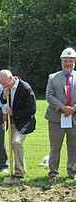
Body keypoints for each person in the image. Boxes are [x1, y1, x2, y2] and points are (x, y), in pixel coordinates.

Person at [45, 47, 76, 181]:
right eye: (65, 61)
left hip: (74, 118)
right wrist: (63, 107)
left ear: (74, 61)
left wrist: (73, 108)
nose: (67, 64)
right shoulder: (53, 77)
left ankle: (72, 171)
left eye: (70, 61)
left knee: (73, 146)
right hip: (56, 118)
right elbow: (49, 95)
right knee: (55, 146)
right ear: (61, 61)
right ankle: (53, 173)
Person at [0, 69, 36, 179]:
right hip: (13, 122)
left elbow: (32, 109)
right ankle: (21, 168)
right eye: (1, 84)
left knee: (16, 142)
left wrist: (13, 112)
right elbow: (3, 100)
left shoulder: (25, 88)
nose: (3, 86)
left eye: (4, 84)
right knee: (12, 145)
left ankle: (19, 171)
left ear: (11, 79)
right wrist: (5, 96)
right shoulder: (6, 87)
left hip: (24, 122)